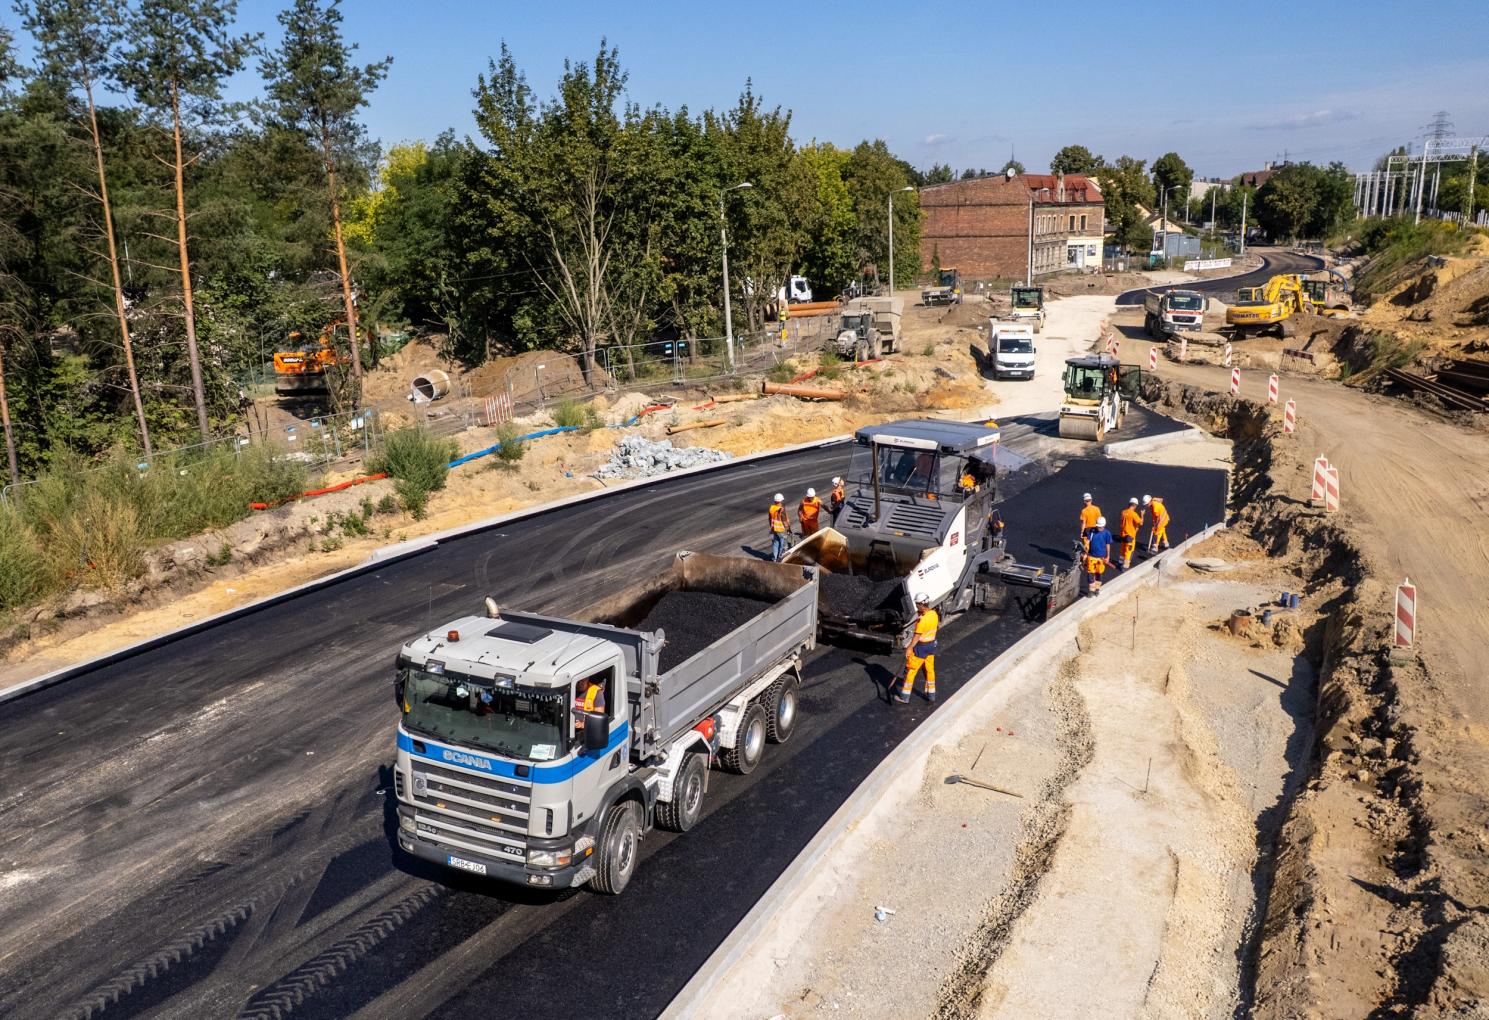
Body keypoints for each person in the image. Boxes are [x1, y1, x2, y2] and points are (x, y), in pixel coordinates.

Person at [894, 594, 940, 704]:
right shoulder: (934, 614)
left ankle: (904, 697)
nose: (916, 606)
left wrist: (909, 648)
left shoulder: (922, 621)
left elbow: (916, 636)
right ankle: (931, 695)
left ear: (921, 604)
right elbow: (936, 627)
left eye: (917, 604)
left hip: (921, 648)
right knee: (929, 670)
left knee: (911, 671)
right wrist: (921, 615)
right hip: (931, 646)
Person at [1085, 516, 1115, 594]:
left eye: (1100, 527)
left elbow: (1108, 545)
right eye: (1098, 526)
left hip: (1101, 558)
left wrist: (1108, 556)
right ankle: (1091, 590)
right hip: (1092, 556)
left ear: (1104, 526)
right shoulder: (1092, 531)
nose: (1099, 528)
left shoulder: (1107, 533)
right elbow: (1088, 541)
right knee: (1090, 573)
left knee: (1099, 573)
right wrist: (1085, 552)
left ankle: (1097, 588)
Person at [1118, 497, 1143, 569]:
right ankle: (1125, 565)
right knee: (1128, 551)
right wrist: (1142, 515)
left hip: (1123, 535)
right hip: (1130, 536)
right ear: (1135, 505)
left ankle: (1120, 562)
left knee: (1122, 549)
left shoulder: (1123, 512)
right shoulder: (1134, 514)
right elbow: (1141, 523)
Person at [768, 493, 791, 562]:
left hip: (774, 529)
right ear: (781, 501)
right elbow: (784, 521)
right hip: (780, 530)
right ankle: (780, 558)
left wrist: (772, 528)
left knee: (775, 543)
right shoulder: (781, 509)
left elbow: (770, 519)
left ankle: (774, 558)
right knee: (782, 544)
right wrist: (788, 529)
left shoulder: (771, 508)